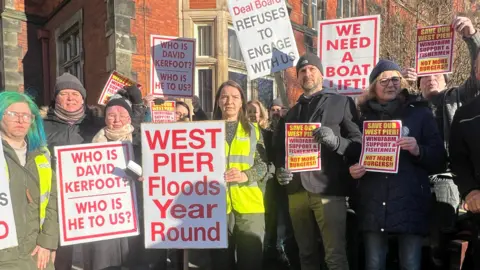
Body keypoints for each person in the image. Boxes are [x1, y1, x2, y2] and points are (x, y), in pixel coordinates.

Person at [349, 60, 446, 270]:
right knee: (374, 264)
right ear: (373, 85)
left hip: (409, 203)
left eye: (395, 79)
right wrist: (353, 170)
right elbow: (353, 153)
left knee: (410, 264)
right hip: (373, 204)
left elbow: (439, 158)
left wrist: (419, 150)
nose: (391, 84)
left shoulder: (420, 113)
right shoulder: (361, 118)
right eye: (384, 80)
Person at [401, 16, 480, 267]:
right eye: (424, 76)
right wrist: (399, 81)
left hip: (446, 177)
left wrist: (471, 37)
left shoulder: (458, 97)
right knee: (413, 237)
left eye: (436, 74)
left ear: (446, 79)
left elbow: (478, 72)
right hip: (414, 178)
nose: (430, 78)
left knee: (441, 237)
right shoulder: (410, 106)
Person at [44, 73, 144, 270]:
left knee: (96, 257)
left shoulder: (97, 123)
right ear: (56, 98)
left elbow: (128, 126)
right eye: (64, 93)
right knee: (59, 260)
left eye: (75, 93)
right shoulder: (42, 126)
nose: (70, 98)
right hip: (58, 202)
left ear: (83, 98)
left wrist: (138, 104)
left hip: (95, 207)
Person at [274, 52, 362, 270]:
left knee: (335, 255)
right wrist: (281, 170)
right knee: (305, 254)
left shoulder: (341, 103)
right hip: (296, 192)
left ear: (321, 74)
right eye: (302, 71)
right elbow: (282, 152)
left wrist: (336, 142)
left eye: (312, 69)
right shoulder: (292, 113)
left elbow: (359, 145)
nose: (307, 73)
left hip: (328, 191)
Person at [211, 80, 268, 270]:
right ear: (218, 101)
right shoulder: (203, 131)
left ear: (242, 101)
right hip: (215, 207)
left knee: (250, 262)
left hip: (250, 206)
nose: (229, 101)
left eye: (235, 97)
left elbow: (264, 166)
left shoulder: (255, 131)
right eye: (224, 97)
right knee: (220, 263)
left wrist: (246, 175)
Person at [0, 91, 58, 270]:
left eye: (26, 116)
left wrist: (48, 242)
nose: (21, 120)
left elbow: (51, 202)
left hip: (37, 254)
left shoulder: (41, 156)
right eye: (13, 114)